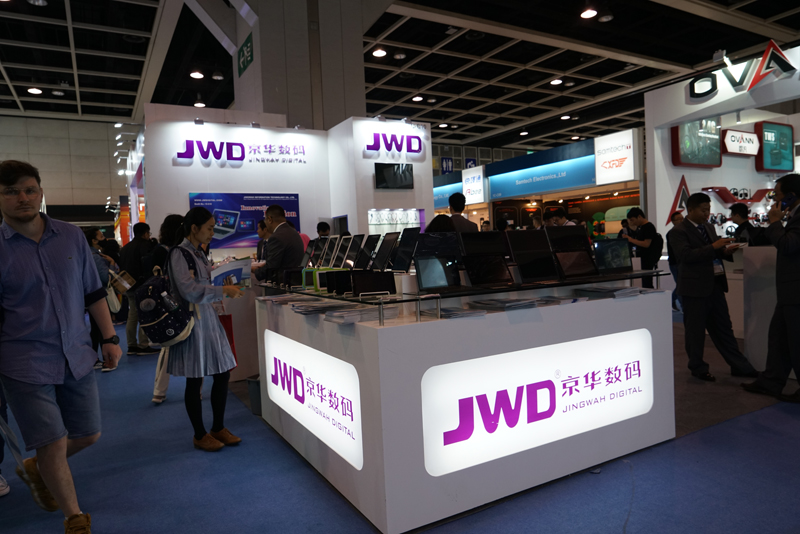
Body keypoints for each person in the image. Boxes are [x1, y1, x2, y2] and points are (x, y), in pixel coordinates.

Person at [0, 159, 122, 533]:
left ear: (40, 192)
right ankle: (75, 518)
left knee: (88, 434)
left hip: (76, 354)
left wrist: (110, 338)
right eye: (11, 192)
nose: (23, 198)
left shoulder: (70, 236)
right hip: (23, 360)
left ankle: (38, 467)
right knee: (52, 442)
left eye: (29, 189)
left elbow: (93, 291)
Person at [167, 207, 244, 451]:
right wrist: (222, 290)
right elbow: (188, 290)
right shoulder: (179, 254)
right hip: (192, 321)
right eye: (209, 228)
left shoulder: (198, 253)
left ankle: (218, 428)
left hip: (208, 318)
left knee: (222, 372)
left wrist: (224, 275)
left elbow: (203, 280)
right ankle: (199, 434)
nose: (213, 233)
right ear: (194, 228)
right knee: (195, 378)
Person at [670, 192, 758, 382]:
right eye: (703, 210)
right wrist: (714, 246)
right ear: (690, 209)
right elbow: (686, 256)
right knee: (695, 332)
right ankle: (698, 367)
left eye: (708, 210)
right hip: (694, 289)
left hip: (715, 285)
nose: (706, 214)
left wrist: (725, 251)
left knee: (724, 329)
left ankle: (739, 366)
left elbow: (713, 252)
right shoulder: (678, 232)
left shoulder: (708, 227)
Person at [742, 174, 800, 402]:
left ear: (791, 196)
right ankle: (771, 381)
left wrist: (775, 222)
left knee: (795, 341)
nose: (774, 199)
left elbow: (788, 245)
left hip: (796, 293)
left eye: (777, 195)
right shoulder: (794, 215)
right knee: (779, 338)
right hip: (789, 292)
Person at [150, 214, 185, 404]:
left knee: (168, 348)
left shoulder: (162, 250)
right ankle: (160, 391)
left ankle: (159, 391)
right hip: (175, 304)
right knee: (170, 347)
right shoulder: (174, 251)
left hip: (168, 304)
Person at [119, 222, 158, 355]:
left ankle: (131, 345)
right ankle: (143, 345)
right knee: (144, 314)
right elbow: (147, 266)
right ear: (146, 233)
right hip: (142, 286)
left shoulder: (125, 248)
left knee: (132, 315)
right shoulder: (145, 246)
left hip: (128, 285)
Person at [84, 227, 118, 372]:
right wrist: (112, 264)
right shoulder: (97, 257)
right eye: (101, 236)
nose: (104, 238)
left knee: (95, 328)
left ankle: (94, 358)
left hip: (88, 297)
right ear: (94, 240)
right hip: (100, 297)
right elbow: (106, 278)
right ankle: (104, 359)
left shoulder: (85, 254)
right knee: (101, 329)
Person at [253, 205, 305, 283]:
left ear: (270, 219)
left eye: (265, 219)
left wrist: (254, 270)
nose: (265, 223)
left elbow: (271, 267)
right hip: (295, 281)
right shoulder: (294, 233)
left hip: (282, 284)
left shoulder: (276, 237)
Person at [622, 208, 661, 289]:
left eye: (632, 220)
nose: (632, 223)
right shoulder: (642, 227)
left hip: (648, 259)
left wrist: (630, 240)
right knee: (645, 282)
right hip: (644, 259)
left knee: (647, 282)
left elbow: (646, 244)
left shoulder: (648, 227)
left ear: (639, 217)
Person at [666, 211, 684, 312]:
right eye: (678, 219)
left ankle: (671, 300)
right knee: (681, 285)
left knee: (681, 285)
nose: (681, 221)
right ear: (673, 221)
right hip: (675, 263)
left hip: (681, 263)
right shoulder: (672, 233)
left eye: (682, 218)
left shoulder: (683, 232)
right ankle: (683, 307)